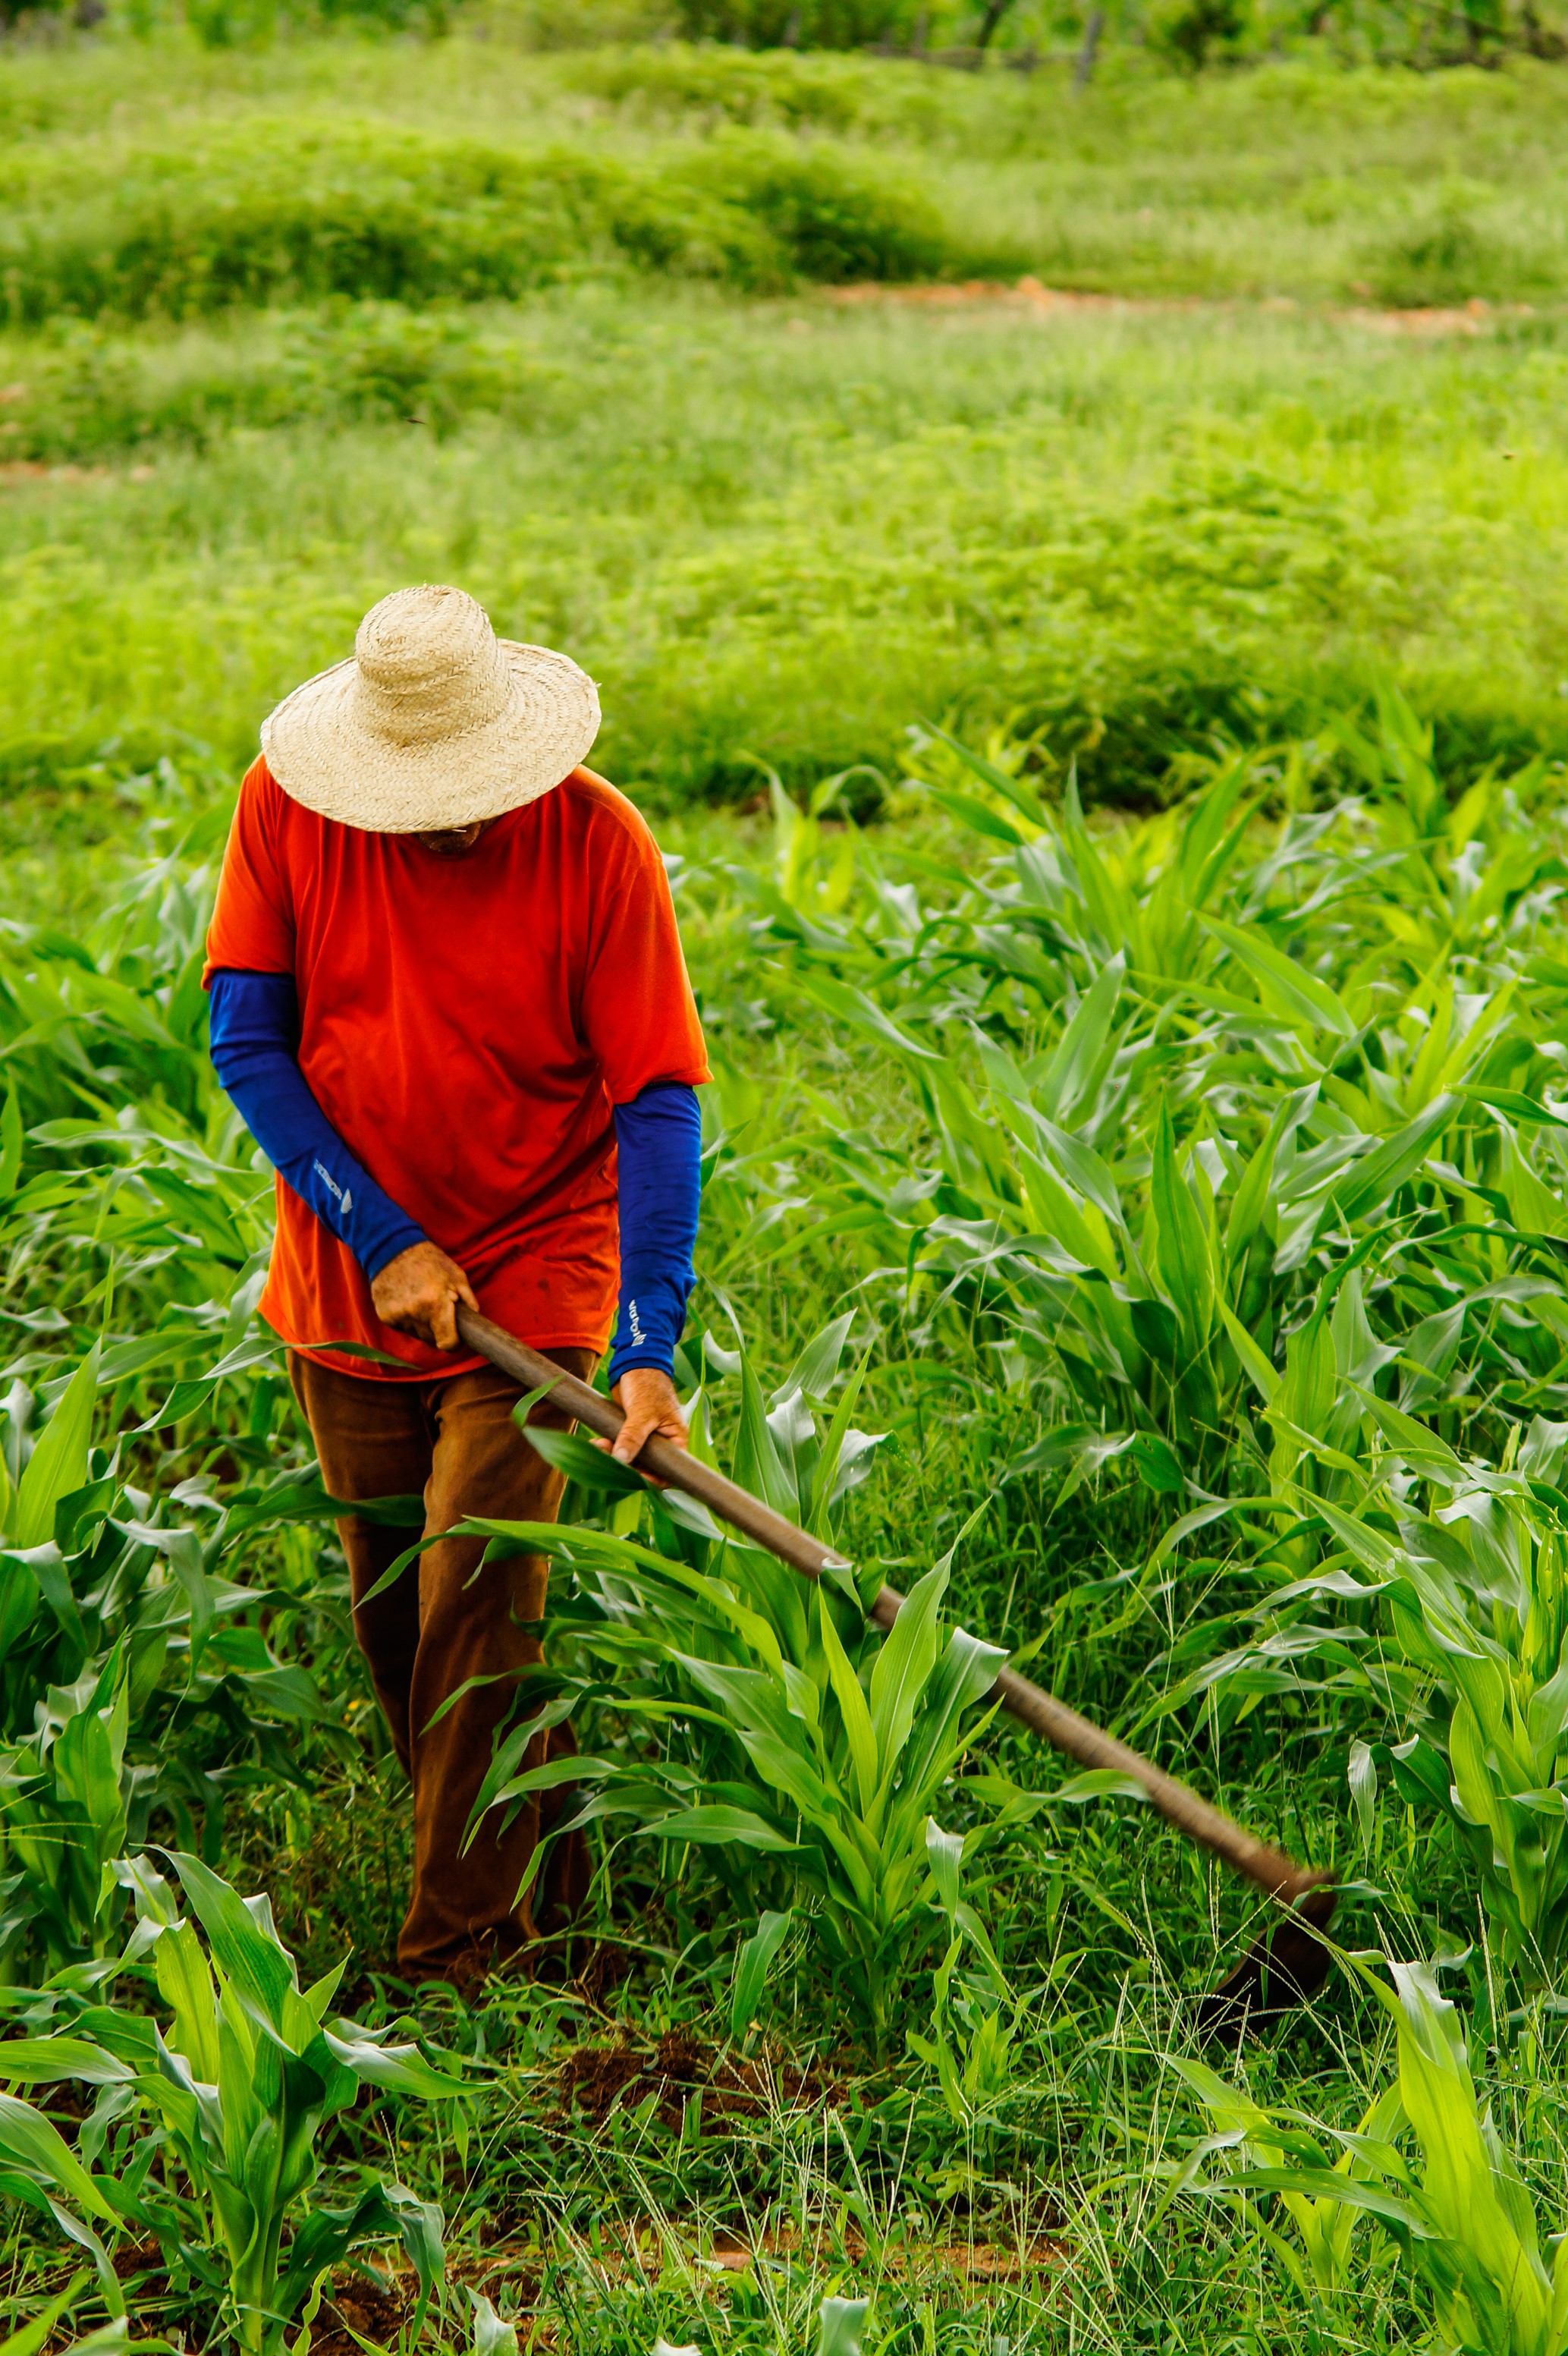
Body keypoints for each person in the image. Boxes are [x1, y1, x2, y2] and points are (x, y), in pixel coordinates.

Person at [203, 583, 709, 1990]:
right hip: (350, 1272)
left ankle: (461, 1960)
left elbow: (656, 1099)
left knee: (474, 1595)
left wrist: (648, 1341)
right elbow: (248, 1043)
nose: (449, 823)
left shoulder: (598, 844)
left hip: (539, 1258)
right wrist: (381, 1239)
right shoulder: (283, 810)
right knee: (400, 1624)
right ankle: (552, 1870)